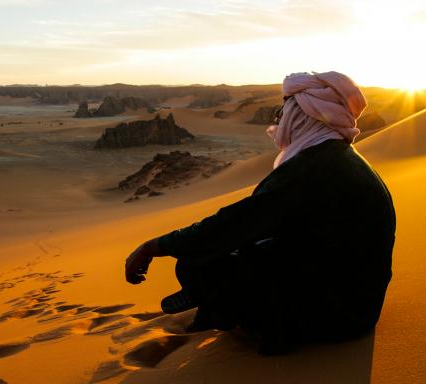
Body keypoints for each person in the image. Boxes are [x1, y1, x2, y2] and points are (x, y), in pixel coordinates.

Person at [124, 71, 396, 354]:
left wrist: (154, 246)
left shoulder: (311, 169)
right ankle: (210, 304)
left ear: (303, 116)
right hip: (356, 305)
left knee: (197, 262)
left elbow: (231, 226)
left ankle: (227, 318)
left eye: (284, 111)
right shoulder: (339, 157)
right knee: (239, 248)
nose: (279, 119)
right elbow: (258, 220)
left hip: (331, 318)